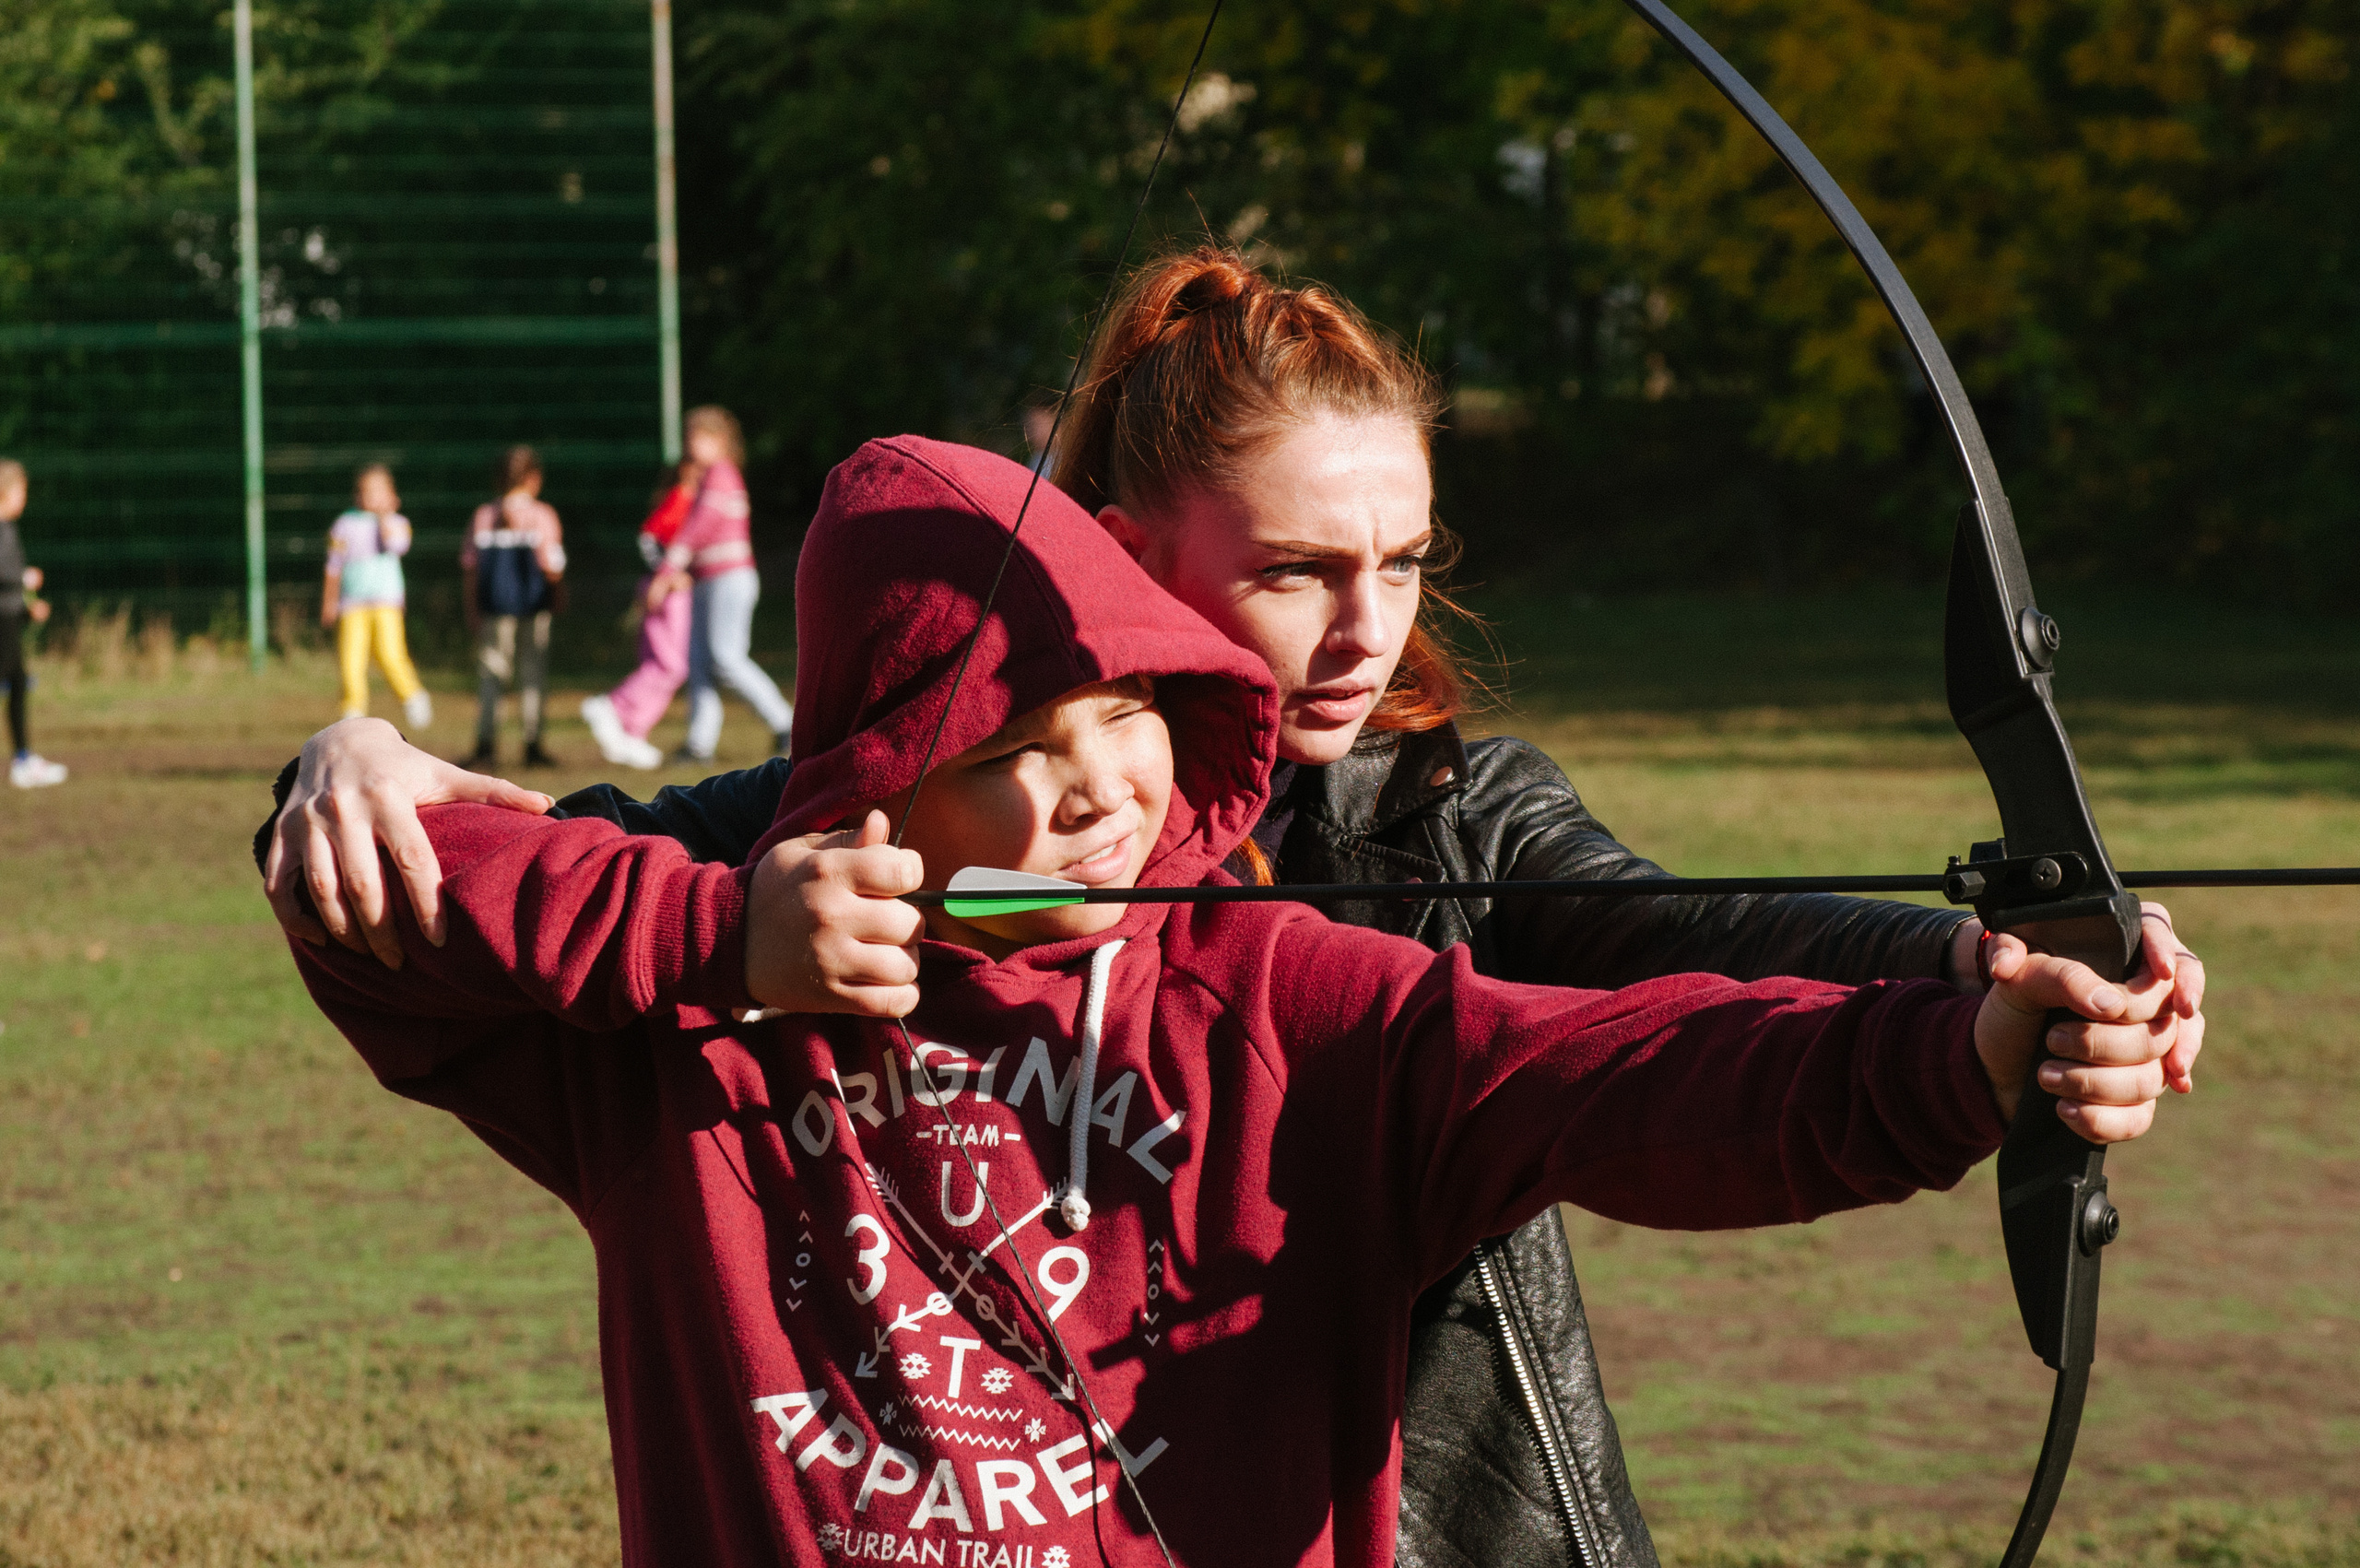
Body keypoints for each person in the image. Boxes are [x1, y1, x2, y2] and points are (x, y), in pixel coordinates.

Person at [260, 249, 2211, 1566]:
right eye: (1294, 571)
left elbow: (1656, 997)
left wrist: (1978, 996)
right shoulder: (762, 921)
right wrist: (365, 772)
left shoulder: (1349, 927)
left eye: (1403, 560)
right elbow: (454, 887)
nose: (1365, 626)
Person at [667, 406, 793, 763]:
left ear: (719, 440)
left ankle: (786, 723)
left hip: (729, 579)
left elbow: (701, 527)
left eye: (698, 438)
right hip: (707, 579)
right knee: (700, 663)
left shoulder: (721, 474)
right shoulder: (709, 477)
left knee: (726, 657)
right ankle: (699, 743)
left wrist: (670, 565)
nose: (690, 445)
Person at [582, 462, 698, 770]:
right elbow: (649, 537)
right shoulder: (683, 496)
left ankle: (633, 732)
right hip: (667, 592)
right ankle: (611, 705)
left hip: (667, 590)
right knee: (670, 666)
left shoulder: (689, 497)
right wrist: (667, 573)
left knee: (662, 665)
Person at [460, 444, 567, 770]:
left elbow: (470, 568)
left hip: (494, 608)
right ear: (534, 479)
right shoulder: (542, 516)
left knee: (493, 672)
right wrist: (559, 593)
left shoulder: (483, 516)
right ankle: (533, 744)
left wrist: (471, 608)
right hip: (534, 608)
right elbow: (552, 565)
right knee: (533, 673)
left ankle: (486, 744)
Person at [323, 463, 432, 730]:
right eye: (365, 491)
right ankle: (352, 710)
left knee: (390, 654)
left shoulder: (398, 523)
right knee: (351, 660)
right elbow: (333, 566)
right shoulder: (343, 524)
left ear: (391, 494)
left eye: (377, 491)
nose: (369, 496)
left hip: (386, 602)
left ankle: (412, 696)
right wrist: (329, 601)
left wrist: (384, 517)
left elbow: (397, 546)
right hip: (351, 604)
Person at [0, 459, 65, 790]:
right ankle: (23, 761)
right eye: (21, 492)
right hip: (3, 620)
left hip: (10, 617)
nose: (24, 499)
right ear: (4, 493)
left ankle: (24, 759)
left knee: (17, 683)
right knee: (15, 683)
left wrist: (28, 607)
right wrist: (23, 578)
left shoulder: (8, 529)